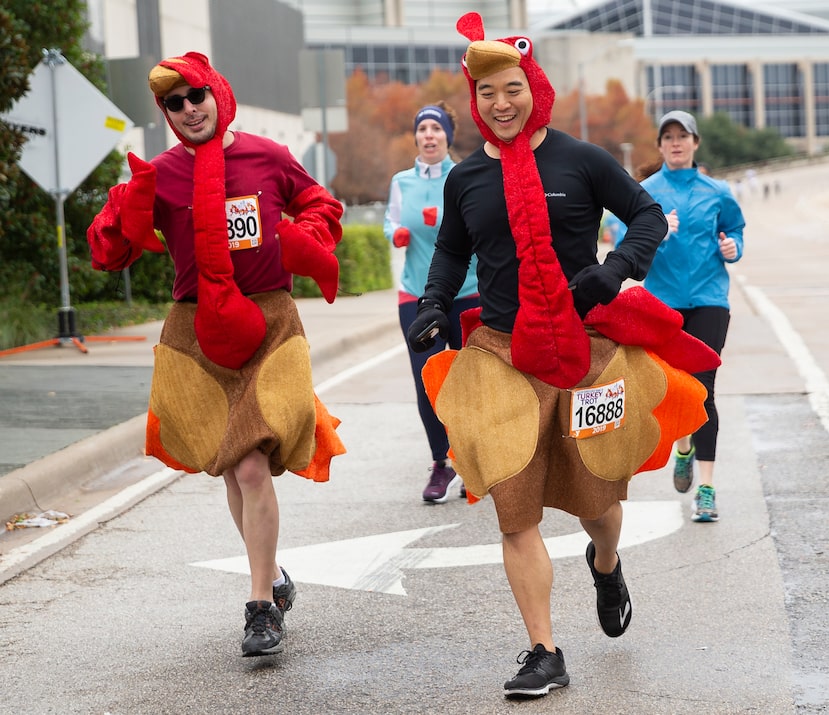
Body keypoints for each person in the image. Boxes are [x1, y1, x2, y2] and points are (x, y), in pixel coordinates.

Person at [407, 13, 715, 699]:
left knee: (598, 500)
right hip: (501, 351)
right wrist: (433, 300)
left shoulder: (581, 159)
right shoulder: (466, 179)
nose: (500, 103)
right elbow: (455, 248)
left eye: (510, 88)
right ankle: (544, 649)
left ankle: (605, 564)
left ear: (532, 85)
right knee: (513, 507)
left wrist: (617, 269)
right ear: (474, 100)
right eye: (486, 93)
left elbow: (645, 215)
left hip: (585, 352)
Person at [86, 52, 346, 657]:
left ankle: (259, 608)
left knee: (253, 465)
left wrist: (304, 237)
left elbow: (320, 205)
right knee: (236, 467)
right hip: (196, 330)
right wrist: (120, 212)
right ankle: (273, 578)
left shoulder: (268, 156)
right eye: (173, 104)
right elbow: (114, 250)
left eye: (195, 95)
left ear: (217, 93)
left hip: (270, 323)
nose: (187, 109)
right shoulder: (162, 173)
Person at [639, 110, 745, 522]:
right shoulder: (646, 192)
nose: (676, 142)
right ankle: (683, 446)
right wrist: (656, 231)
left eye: (683, 135)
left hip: (708, 299)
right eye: (668, 136)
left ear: (695, 143)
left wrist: (734, 246)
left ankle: (706, 488)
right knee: (672, 386)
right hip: (663, 302)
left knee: (704, 389)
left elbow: (735, 230)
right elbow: (625, 239)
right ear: (660, 146)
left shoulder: (717, 191)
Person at [383, 102, 479, 503]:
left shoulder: (464, 176)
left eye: (435, 129)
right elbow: (390, 220)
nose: (428, 135)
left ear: (447, 137)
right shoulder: (401, 181)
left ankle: (470, 461)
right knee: (427, 382)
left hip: (468, 290)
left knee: (468, 382)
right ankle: (441, 463)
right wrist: (397, 233)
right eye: (422, 128)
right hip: (417, 294)